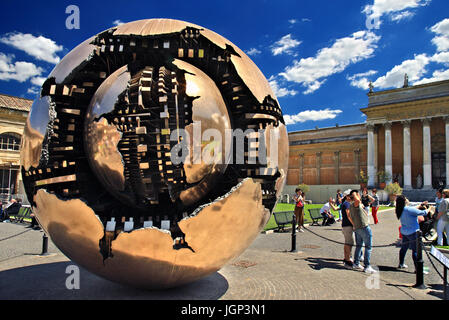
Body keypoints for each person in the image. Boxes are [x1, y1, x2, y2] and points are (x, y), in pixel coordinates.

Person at [396, 195, 432, 270]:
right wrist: (430, 208)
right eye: (406, 198)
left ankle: (401, 263)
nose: (407, 199)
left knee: (403, 249)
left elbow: (414, 208)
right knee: (415, 251)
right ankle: (418, 269)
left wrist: (421, 204)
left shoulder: (400, 209)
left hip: (404, 232)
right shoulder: (409, 209)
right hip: (413, 232)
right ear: (404, 201)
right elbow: (423, 212)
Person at [349, 190, 377, 274]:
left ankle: (356, 263)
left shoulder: (352, 205)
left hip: (357, 228)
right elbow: (357, 200)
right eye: (358, 194)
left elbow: (364, 214)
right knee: (368, 247)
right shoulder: (355, 203)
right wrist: (354, 193)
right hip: (364, 227)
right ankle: (367, 266)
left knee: (359, 246)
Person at [341, 191, 355, 269]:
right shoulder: (346, 204)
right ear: (347, 197)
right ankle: (347, 259)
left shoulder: (347, 204)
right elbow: (348, 215)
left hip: (346, 225)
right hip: (347, 225)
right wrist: (354, 224)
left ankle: (347, 257)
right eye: (350, 196)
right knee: (349, 243)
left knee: (348, 242)